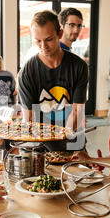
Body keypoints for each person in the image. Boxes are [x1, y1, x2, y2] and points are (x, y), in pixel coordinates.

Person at [18, 10, 88, 151]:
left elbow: (77, 111)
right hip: (40, 142)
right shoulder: (27, 72)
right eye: (38, 41)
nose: (43, 46)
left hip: (71, 138)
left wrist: (63, 142)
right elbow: (29, 119)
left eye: (49, 39)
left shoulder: (79, 66)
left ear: (60, 34)